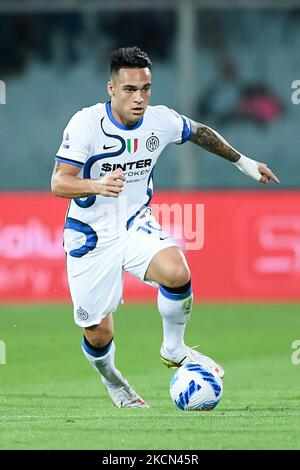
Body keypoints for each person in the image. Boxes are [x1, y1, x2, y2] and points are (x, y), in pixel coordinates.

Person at [51, 46, 279, 409]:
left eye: (145, 88)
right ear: (111, 89)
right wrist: (96, 185)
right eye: (129, 89)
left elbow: (199, 132)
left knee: (176, 271)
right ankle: (114, 383)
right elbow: (59, 183)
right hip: (90, 236)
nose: (139, 98)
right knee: (98, 331)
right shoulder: (85, 125)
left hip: (134, 222)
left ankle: (174, 349)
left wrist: (244, 162)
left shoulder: (160, 120)